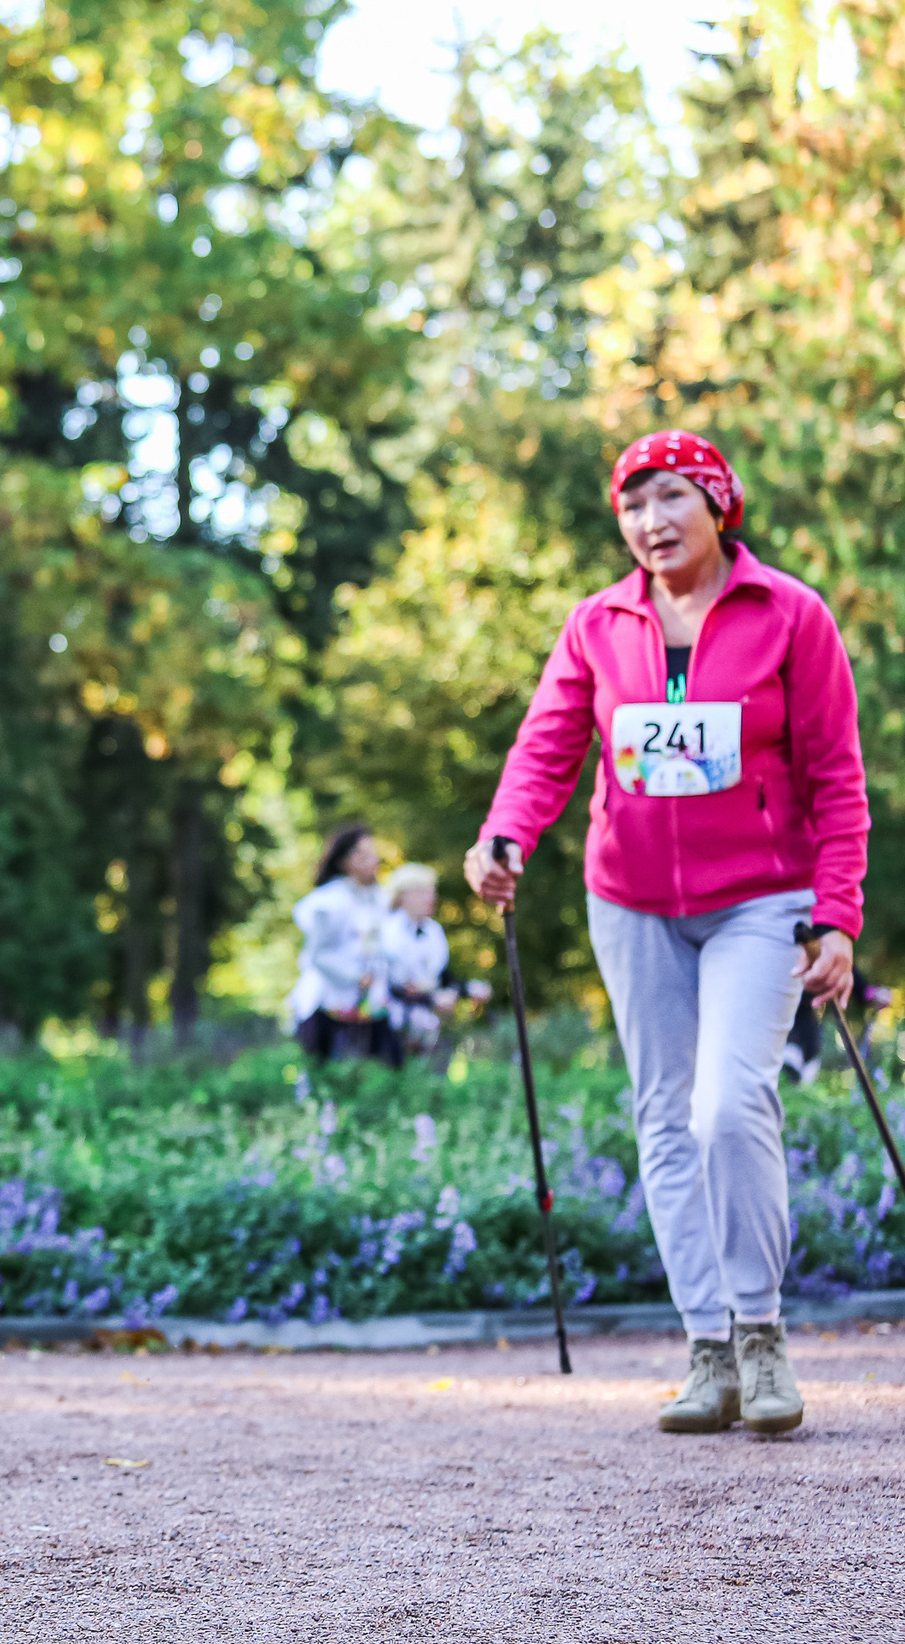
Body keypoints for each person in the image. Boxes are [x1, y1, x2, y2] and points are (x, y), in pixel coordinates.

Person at [464, 429, 867, 1439]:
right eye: (633, 505)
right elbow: (546, 748)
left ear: (718, 505)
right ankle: (707, 1350)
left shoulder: (791, 614)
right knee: (664, 1118)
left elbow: (835, 776)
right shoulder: (596, 623)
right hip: (632, 898)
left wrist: (836, 914)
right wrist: (505, 835)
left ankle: (760, 1332)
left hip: (761, 898)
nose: (651, 521)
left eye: (671, 497)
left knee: (726, 1106)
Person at [286, 825, 395, 1063]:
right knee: (325, 1075)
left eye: (373, 853)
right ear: (346, 861)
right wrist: (356, 975)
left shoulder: (378, 898)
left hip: (368, 1007)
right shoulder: (328, 901)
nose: (374, 860)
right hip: (327, 1006)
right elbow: (317, 955)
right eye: (365, 854)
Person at [380, 864, 461, 1062]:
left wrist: (460, 990)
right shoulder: (387, 929)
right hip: (390, 1023)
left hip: (427, 1023)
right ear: (402, 896)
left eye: (432, 892)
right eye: (422, 892)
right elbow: (393, 983)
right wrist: (430, 997)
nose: (430, 898)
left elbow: (440, 974)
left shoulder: (434, 930)